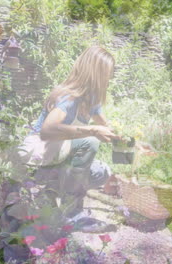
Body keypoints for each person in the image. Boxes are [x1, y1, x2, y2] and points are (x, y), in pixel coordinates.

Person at [31, 46, 119, 222]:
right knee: (91, 143)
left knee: (100, 172)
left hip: (58, 158)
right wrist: (92, 130)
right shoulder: (69, 97)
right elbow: (46, 131)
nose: (110, 78)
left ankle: (49, 192)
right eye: (107, 73)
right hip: (40, 160)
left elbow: (109, 129)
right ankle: (72, 212)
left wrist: (133, 142)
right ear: (94, 73)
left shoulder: (91, 99)